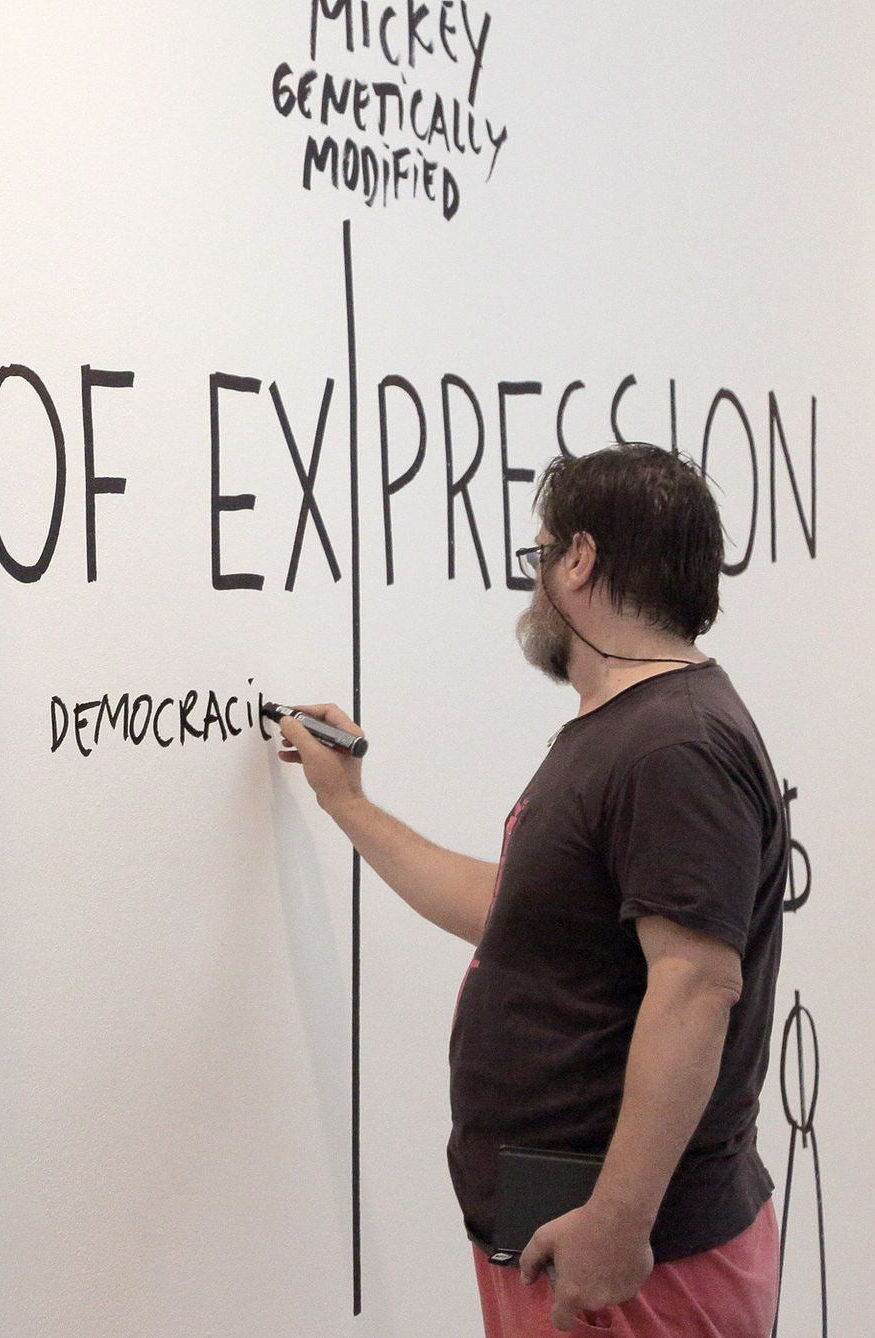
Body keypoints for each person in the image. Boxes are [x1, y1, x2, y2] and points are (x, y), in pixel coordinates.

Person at [276, 444, 787, 1336]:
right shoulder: (635, 729)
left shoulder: (675, 747)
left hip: (632, 1262)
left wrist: (619, 1223)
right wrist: (348, 805)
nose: (533, 582)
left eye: (539, 554)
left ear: (579, 560)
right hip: (572, 1235)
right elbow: (516, 915)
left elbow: (697, 986)